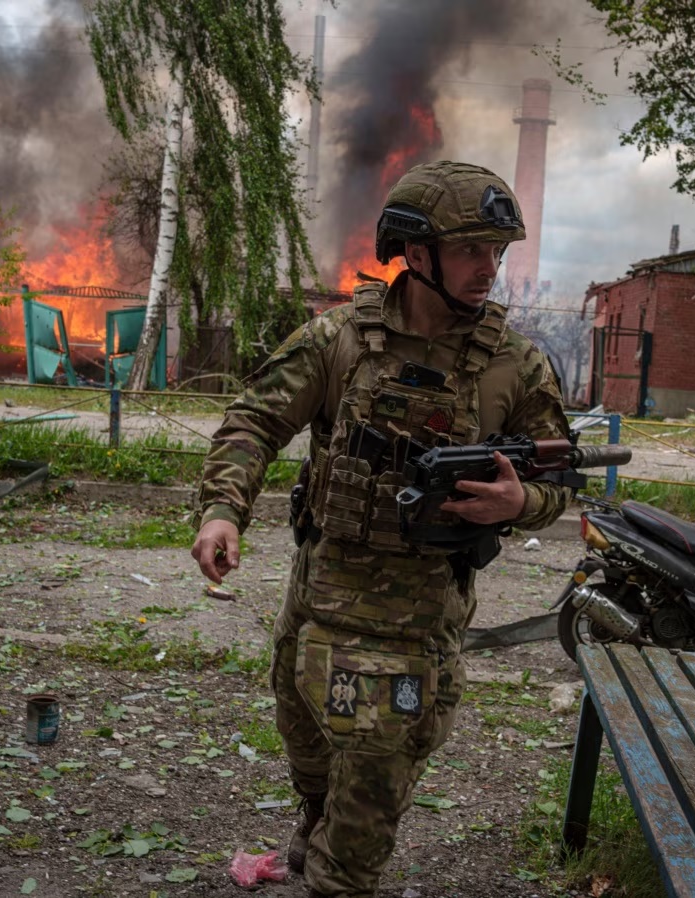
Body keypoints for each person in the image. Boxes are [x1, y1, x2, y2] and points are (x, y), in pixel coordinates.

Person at [189, 161, 573, 898]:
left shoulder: (512, 366)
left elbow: (559, 481)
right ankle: (314, 823)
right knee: (306, 748)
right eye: (472, 251)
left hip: (415, 622)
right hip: (319, 598)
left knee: (362, 818)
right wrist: (220, 510)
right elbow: (253, 421)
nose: (489, 269)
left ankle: (337, 867)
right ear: (416, 252)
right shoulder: (340, 337)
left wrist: (518, 503)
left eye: (498, 253)